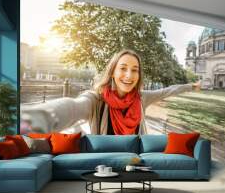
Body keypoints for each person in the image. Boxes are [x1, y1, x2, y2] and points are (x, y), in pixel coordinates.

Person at [21, 49, 200, 135]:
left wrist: (191, 87)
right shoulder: (96, 99)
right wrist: (34, 120)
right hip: (103, 165)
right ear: (113, 72)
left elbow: (168, 91)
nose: (129, 75)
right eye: (123, 68)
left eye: (135, 70)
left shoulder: (142, 98)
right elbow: (73, 106)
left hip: (137, 160)